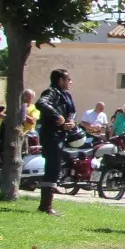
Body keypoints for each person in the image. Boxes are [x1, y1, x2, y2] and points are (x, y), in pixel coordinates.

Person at [33, 69, 78, 216]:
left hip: (60, 135)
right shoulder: (51, 92)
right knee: (52, 168)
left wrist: (70, 123)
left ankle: (47, 205)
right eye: (67, 79)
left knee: (56, 168)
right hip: (51, 136)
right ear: (60, 81)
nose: (70, 82)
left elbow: (70, 114)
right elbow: (41, 103)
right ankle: (46, 206)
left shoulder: (65, 95)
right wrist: (57, 116)